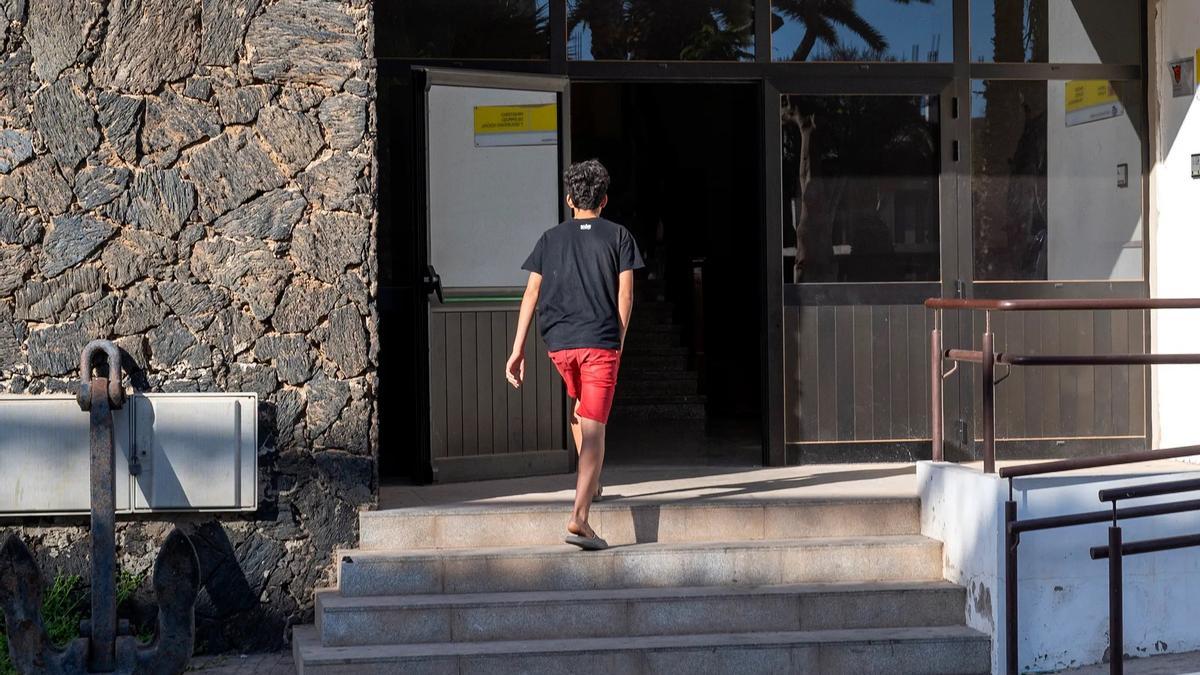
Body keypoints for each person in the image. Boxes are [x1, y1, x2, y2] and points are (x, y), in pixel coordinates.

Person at [504, 159, 644, 551]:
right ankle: (580, 517)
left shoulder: (550, 239)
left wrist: (517, 349)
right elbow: (626, 295)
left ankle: (592, 480)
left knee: (581, 412)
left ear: (569, 200)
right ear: (604, 199)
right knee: (595, 427)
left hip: (559, 345)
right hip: (598, 342)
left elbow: (531, 292)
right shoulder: (619, 236)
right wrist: (616, 337)